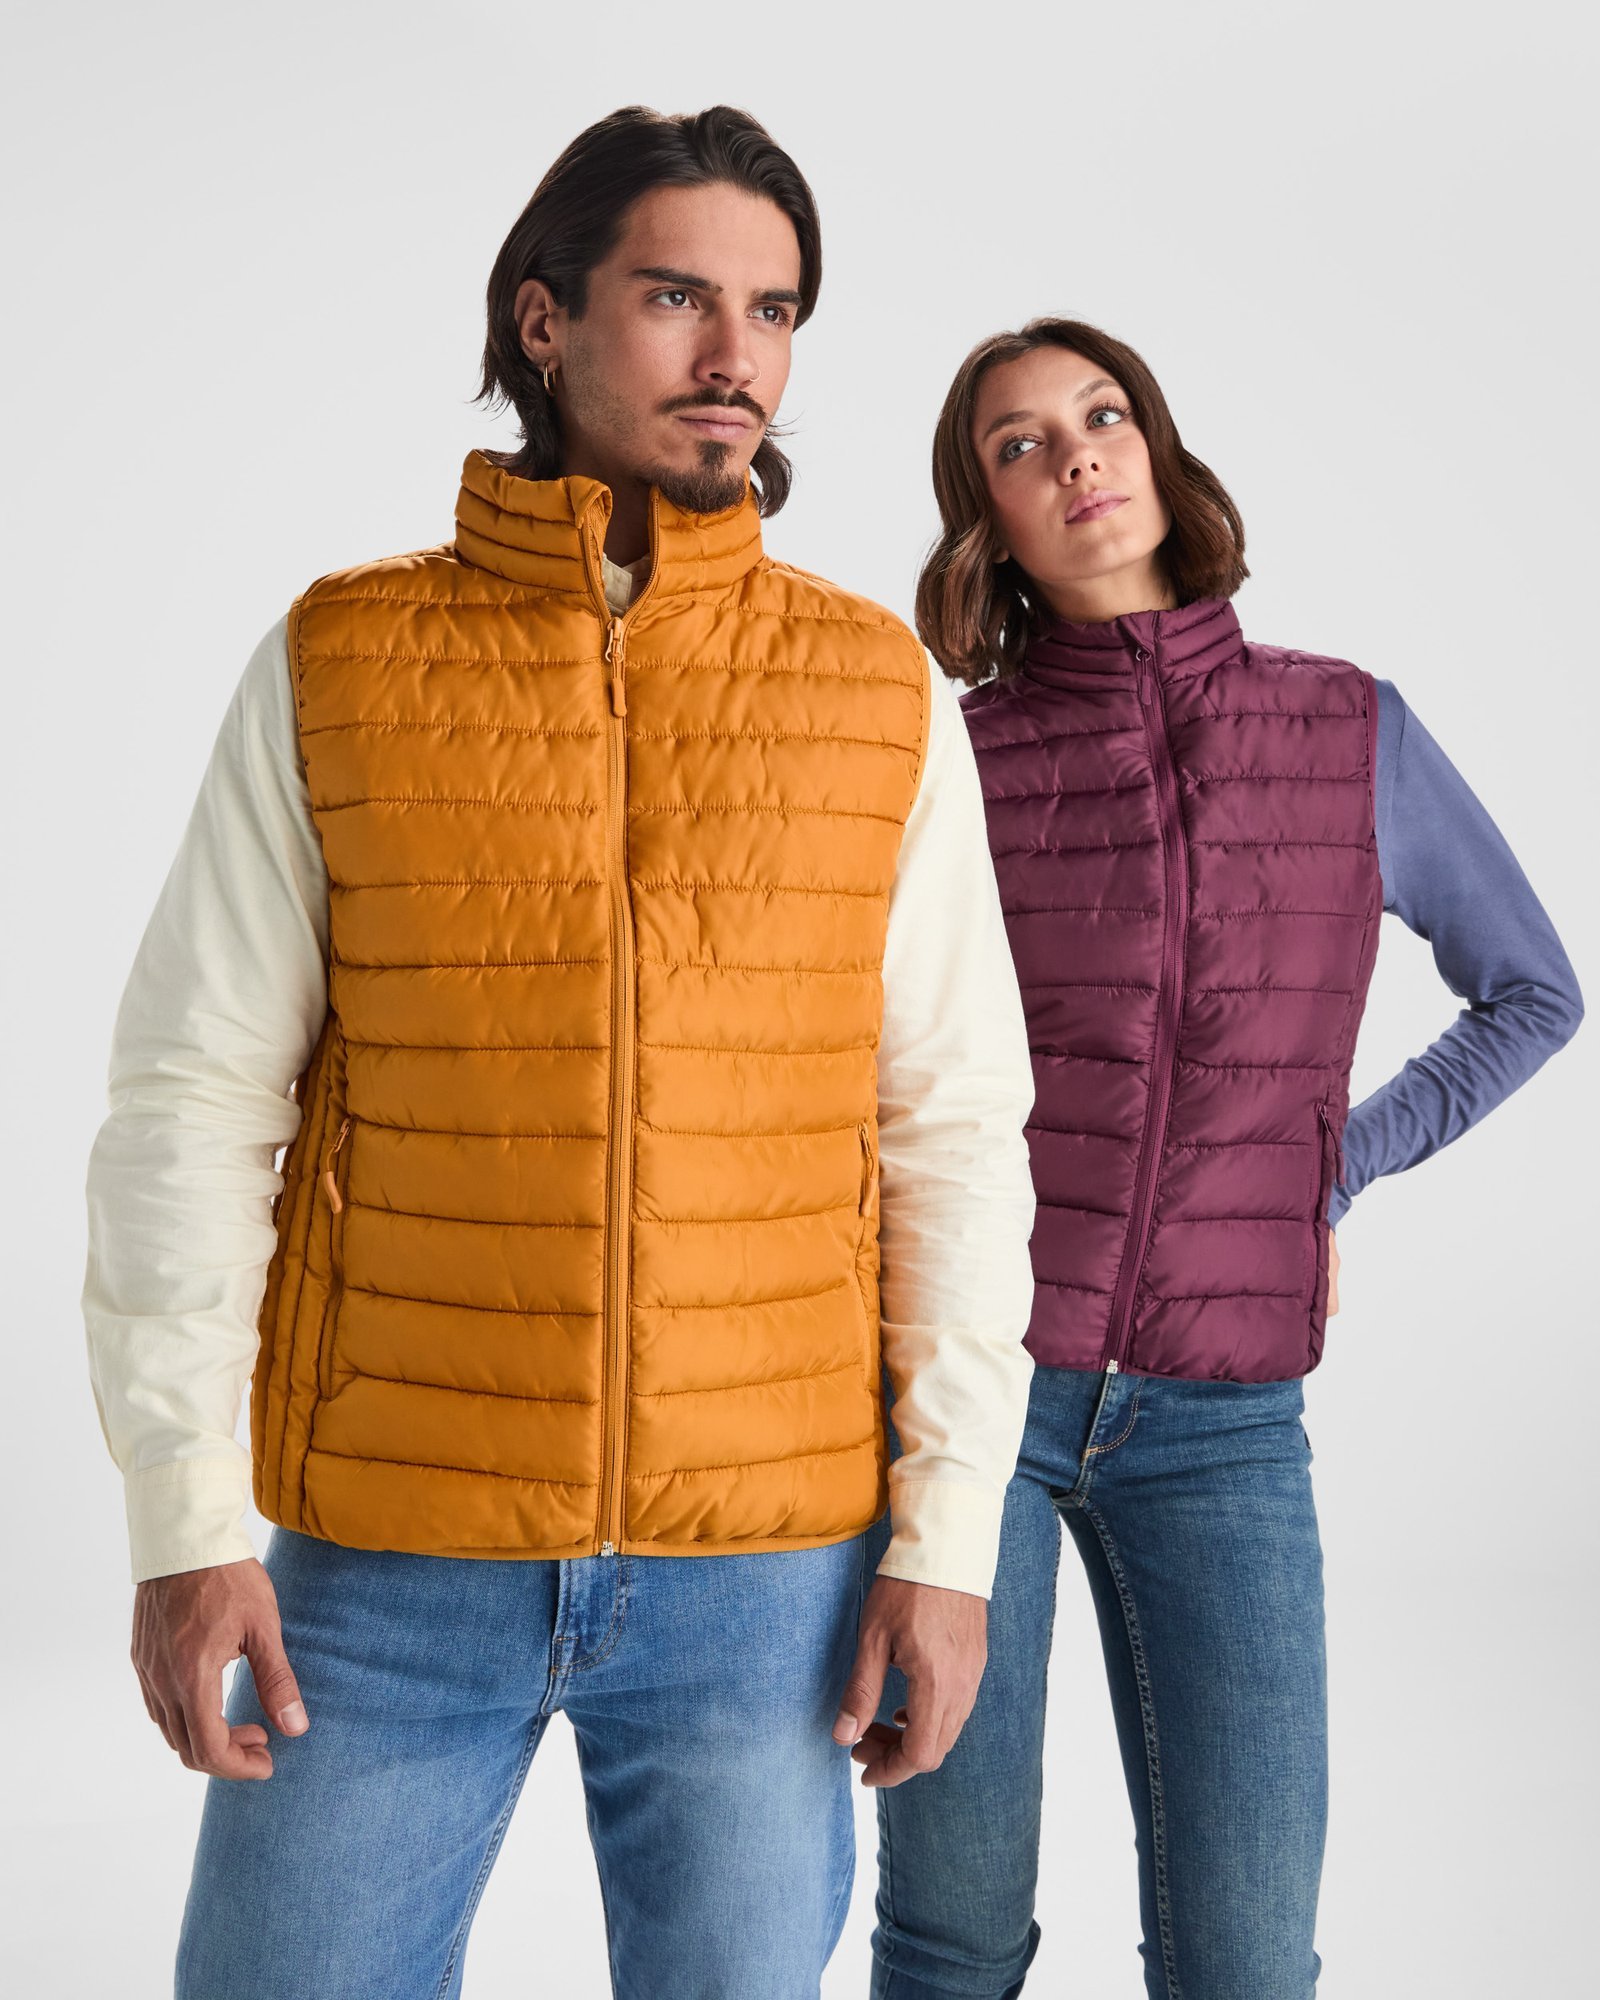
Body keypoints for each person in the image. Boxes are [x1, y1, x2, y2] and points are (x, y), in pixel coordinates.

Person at [81, 106, 1040, 1999]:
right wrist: (184, 1519)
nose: (735, 355)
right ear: (543, 319)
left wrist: (948, 1543)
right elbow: (191, 1103)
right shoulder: (338, 662)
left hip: (770, 1579)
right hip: (385, 1562)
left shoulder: (875, 691)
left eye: (774, 311)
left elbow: (951, 1129)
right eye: (679, 297)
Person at [858, 317, 1584, 2000]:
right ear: (989, 523)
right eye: (1019, 445)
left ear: (1161, 453)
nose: (1076, 457)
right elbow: (863, 1063)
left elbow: (1532, 992)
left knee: (1246, 1962)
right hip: (972, 1407)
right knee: (955, 1936)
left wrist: (1330, 1165)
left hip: (1228, 1428)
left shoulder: (1347, 727)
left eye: (1102, 415)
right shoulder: (953, 759)